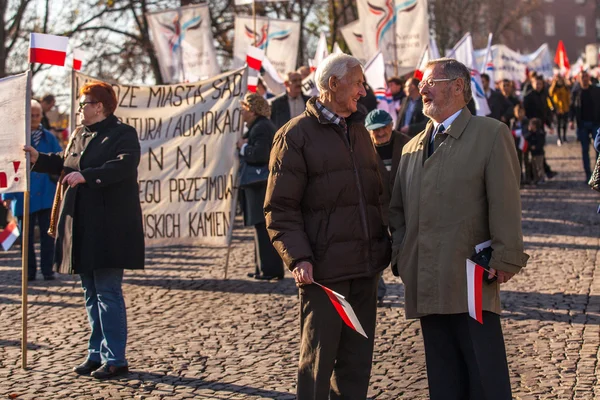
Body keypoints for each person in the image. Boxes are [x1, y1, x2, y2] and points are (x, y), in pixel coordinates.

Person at [389, 58, 529, 400]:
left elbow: (505, 201)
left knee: (484, 375)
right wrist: (403, 258)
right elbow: (397, 213)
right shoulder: (410, 148)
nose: (421, 88)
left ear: (457, 87)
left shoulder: (491, 134)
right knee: (443, 376)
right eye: (421, 82)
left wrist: (505, 256)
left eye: (430, 81)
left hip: (471, 276)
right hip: (424, 278)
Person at [264, 53, 391, 399]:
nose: (363, 91)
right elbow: (280, 209)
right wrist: (298, 257)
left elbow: (381, 192)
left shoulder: (361, 131)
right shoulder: (294, 136)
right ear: (333, 84)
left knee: (356, 363)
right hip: (324, 273)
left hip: (366, 269)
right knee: (318, 364)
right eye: (358, 82)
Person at [24, 82, 144, 379]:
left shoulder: (123, 134)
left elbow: (125, 166)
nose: (79, 108)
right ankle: (96, 353)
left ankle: (116, 357)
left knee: (107, 292)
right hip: (82, 223)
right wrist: (39, 159)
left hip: (110, 225)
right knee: (90, 292)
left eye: (83, 103)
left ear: (99, 106)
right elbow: (67, 163)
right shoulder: (79, 134)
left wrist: (87, 176)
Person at [2, 100, 62, 281]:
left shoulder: (49, 137)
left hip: (46, 192)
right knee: (25, 236)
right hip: (23, 193)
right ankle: (28, 271)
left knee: (47, 234)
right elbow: (7, 166)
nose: (35, 119)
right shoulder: (16, 138)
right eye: (31, 115)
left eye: (37, 115)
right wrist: (7, 193)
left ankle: (48, 269)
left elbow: (60, 160)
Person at [365, 109, 410, 306]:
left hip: (405, 208)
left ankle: (415, 292)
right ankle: (376, 292)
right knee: (375, 253)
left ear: (391, 125)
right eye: (375, 130)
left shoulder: (409, 144)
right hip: (377, 210)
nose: (380, 133)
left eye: (384, 128)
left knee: (409, 252)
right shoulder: (363, 149)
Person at [237, 93, 283, 280]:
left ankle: (269, 269)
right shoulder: (259, 126)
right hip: (258, 185)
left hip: (260, 185)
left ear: (252, 110)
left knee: (263, 228)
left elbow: (260, 154)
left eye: (244, 109)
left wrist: (242, 147)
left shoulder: (261, 127)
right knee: (259, 227)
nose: (241, 112)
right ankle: (261, 267)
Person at [524, 75, 557, 178]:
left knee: (540, 149)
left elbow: (545, 112)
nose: (538, 86)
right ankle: (540, 172)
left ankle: (543, 171)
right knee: (534, 151)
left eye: (540, 84)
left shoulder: (544, 95)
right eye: (536, 83)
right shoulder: (528, 96)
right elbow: (525, 112)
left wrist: (549, 124)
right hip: (531, 128)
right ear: (532, 84)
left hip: (540, 127)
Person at [569, 71, 600, 182]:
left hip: (596, 123)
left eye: (586, 77)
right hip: (582, 124)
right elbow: (572, 107)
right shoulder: (576, 92)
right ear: (578, 79)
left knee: (598, 149)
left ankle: (597, 175)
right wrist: (571, 120)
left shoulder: (596, 90)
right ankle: (588, 174)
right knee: (585, 150)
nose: (585, 79)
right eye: (582, 77)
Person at [511, 104, 530, 183]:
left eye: (521, 112)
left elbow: (527, 131)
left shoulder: (527, 121)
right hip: (516, 144)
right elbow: (511, 132)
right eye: (518, 112)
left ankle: (528, 177)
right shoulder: (513, 122)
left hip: (525, 143)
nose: (520, 114)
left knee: (526, 160)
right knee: (518, 161)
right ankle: (520, 178)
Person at [549, 75, 570, 145]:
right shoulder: (554, 88)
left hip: (565, 108)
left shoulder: (565, 88)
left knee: (564, 124)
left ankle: (564, 137)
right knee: (558, 124)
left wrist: (568, 107)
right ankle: (559, 138)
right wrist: (554, 83)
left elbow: (568, 97)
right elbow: (550, 93)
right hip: (557, 109)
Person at [526, 118, 546, 185]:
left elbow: (541, 143)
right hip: (533, 153)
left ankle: (542, 178)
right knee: (534, 167)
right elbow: (526, 138)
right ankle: (536, 179)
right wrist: (529, 132)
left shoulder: (539, 133)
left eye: (531, 124)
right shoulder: (531, 133)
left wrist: (536, 147)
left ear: (534, 125)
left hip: (539, 153)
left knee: (539, 166)